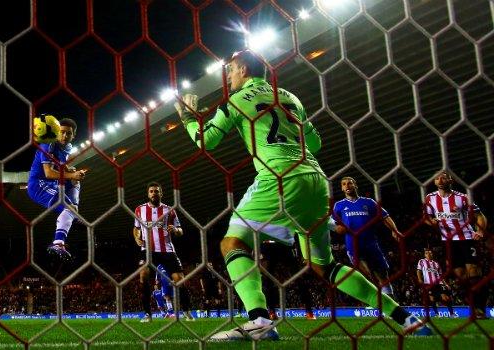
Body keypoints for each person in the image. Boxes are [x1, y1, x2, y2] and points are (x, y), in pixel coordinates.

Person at [175, 49, 431, 340]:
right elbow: (314, 142)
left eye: (231, 70)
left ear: (243, 69)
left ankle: (259, 320)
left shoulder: (234, 101)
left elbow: (206, 141)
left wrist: (188, 118)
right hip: (315, 178)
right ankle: (405, 316)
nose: (229, 76)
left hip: (279, 178)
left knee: (232, 242)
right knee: (324, 265)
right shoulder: (288, 97)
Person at [424, 170, 489, 319]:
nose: (440, 180)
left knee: (474, 272)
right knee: (461, 276)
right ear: (434, 182)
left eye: (443, 177)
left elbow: (480, 216)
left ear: (450, 181)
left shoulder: (463, 198)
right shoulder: (430, 199)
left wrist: (480, 230)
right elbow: (426, 217)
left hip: (466, 238)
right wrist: (431, 222)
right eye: (437, 178)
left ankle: (479, 309)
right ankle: (472, 302)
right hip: (447, 241)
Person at [133, 182, 193, 322]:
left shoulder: (169, 210)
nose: (154, 193)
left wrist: (176, 231)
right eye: (151, 191)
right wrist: (137, 238)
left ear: (161, 193)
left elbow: (180, 230)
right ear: (148, 194)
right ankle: (148, 314)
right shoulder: (139, 210)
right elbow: (136, 228)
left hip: (167, 250)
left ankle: (187, 311)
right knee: (143, 277)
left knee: (179, 280)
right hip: (148, 250)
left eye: (156, 191)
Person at [27, 117, 86, 260]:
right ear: (56, 132)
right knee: (69, 208)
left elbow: (60, 164)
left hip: (52, 184)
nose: (65, 136)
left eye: (68, 133)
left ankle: (74, 212)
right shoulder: (48, 145)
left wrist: (70, 171)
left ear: (74, 135)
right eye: (62, 132)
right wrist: (71, 174)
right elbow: (48, 172)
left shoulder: (67, 147)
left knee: (75, 183)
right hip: (39, 185)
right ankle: (58, 243)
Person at [332, 176, 401, 298]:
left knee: (382, 275)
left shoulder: (369, 202)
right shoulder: (339, 205)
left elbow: (384, 216)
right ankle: (377, 300)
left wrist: (394, 230)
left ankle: (391, 301)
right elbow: (332, 223)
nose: (347, 185)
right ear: (342, 188)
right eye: (344, 184)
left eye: (350, 183)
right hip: (353, 245)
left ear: (355, 185)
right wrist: (337, 228)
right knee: (368, 275)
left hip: (371, 243)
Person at [260, 239, 316, 320]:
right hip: (268, 247)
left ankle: (309, 311)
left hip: (283, 244)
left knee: (298, 278)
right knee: (267, 280)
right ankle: (271, 311)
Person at [416, 248, 456, 317]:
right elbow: (418, 270)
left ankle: (452, 313)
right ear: (424, 255)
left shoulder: (436, 264)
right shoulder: (421, 261)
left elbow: (440, 275)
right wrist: (419, 279)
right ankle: (437, 314)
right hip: (428, 284)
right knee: (432, 299)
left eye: (430, 253)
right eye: (427, 253)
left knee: (445, 298)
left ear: (432, 254)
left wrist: (446, 284)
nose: (428, 254)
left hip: (438, 283)